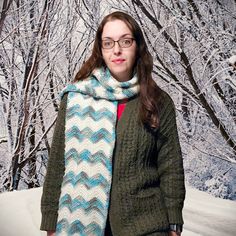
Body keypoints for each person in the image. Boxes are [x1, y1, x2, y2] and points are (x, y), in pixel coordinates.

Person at [40, 11, 185, 236]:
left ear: (137, 46)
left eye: (125, 41)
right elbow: (58, 162)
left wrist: (174, 222)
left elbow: (170, 167)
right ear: (100, 49)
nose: (116, 50)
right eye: (108, 43)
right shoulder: (76, 98)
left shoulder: (158, 101)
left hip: (146, 223)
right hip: (80, 224)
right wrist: (50, 219)